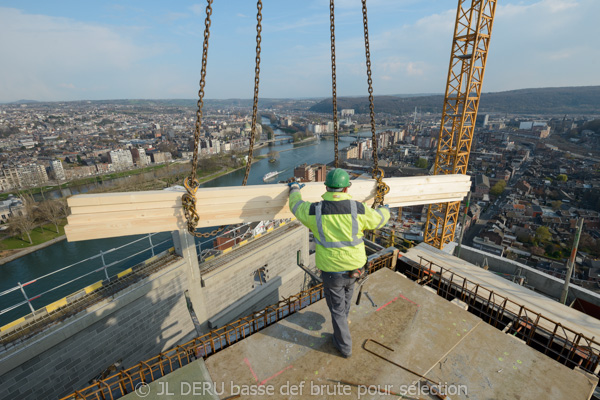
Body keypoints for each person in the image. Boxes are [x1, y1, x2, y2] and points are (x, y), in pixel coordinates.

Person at [288, 168, 390, 358]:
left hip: (332, 271)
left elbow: (295, 206)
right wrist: (385, 209)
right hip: (355, 268)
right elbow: (379, 219)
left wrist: (294, 189)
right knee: (345, 299)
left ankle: (344, 346)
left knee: (336, 308)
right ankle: (342, 327)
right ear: (346, 189)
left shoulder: (314, 211)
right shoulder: (357, 208)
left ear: (326, 187)